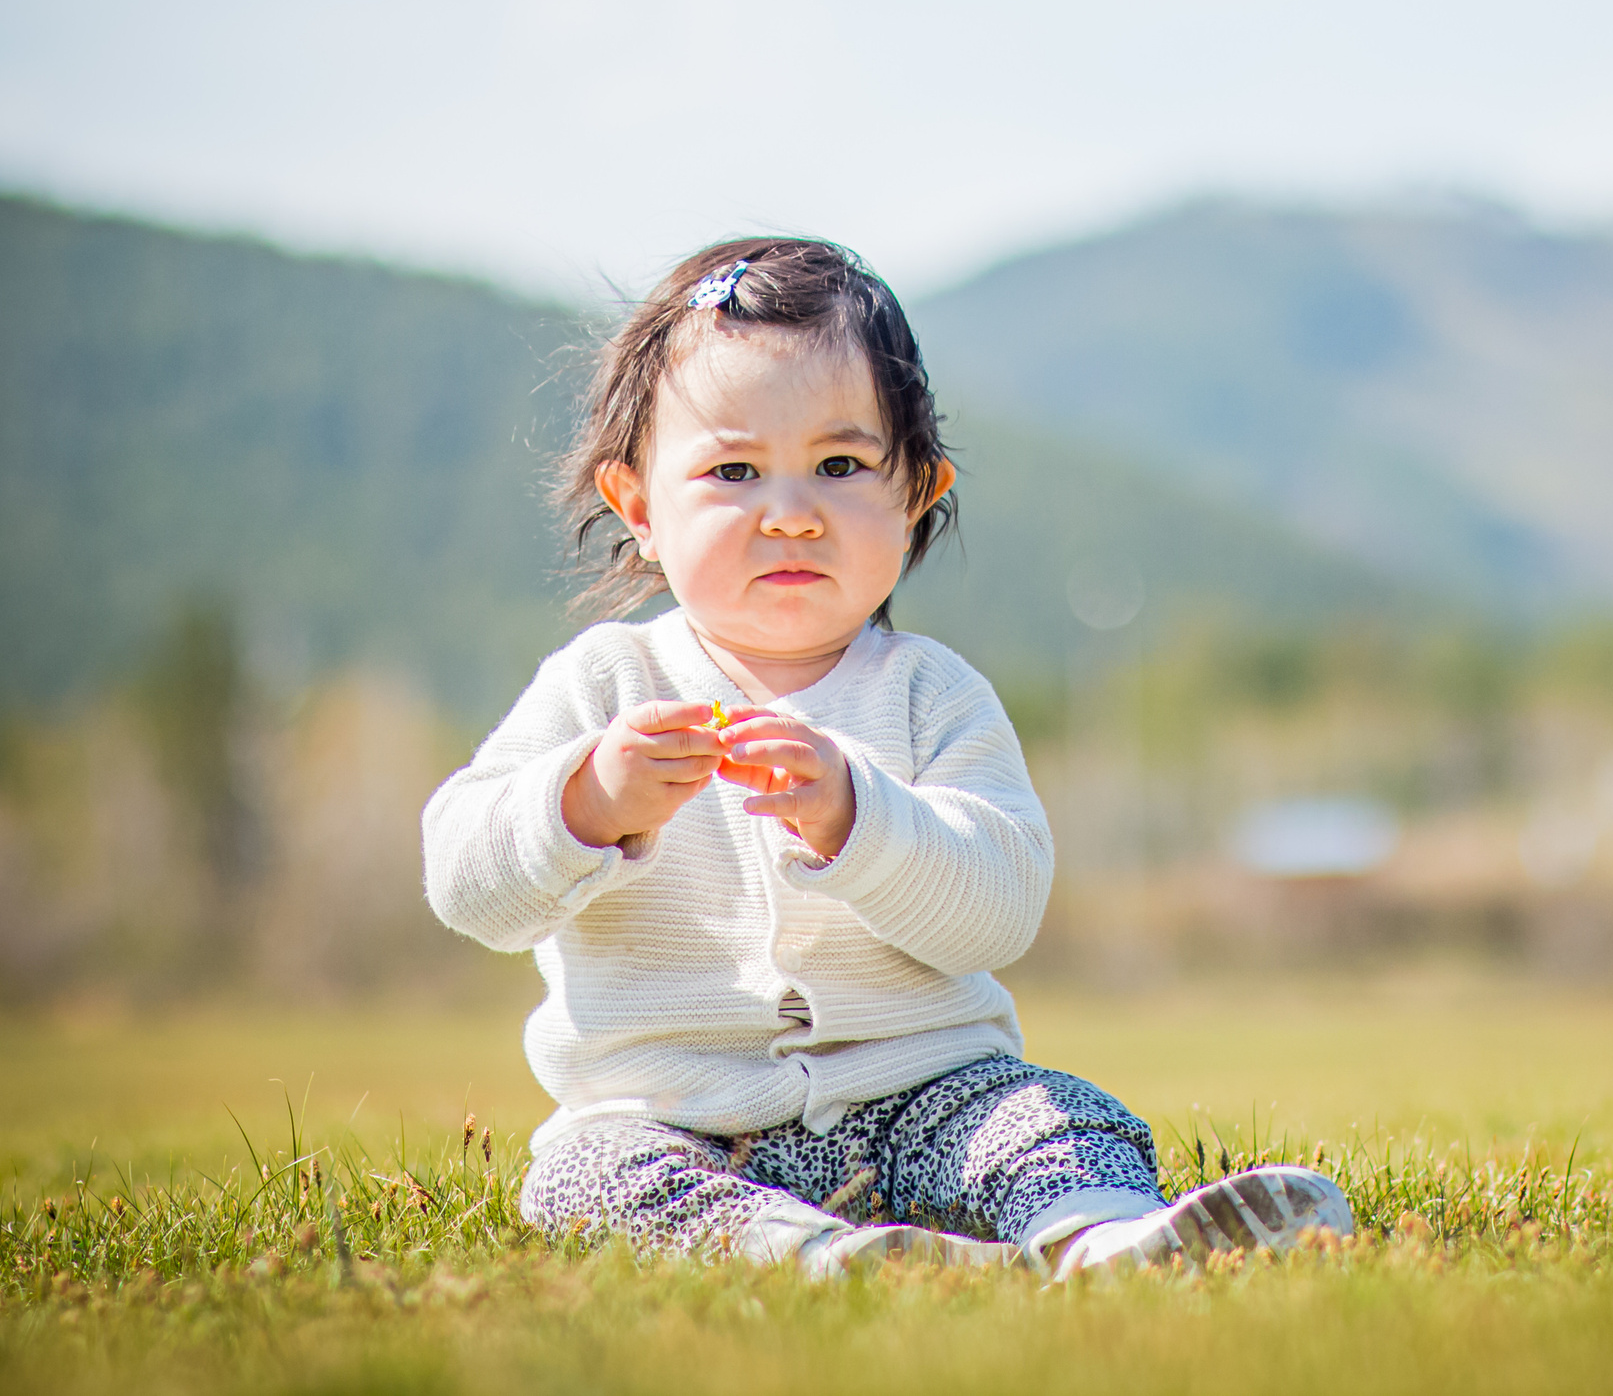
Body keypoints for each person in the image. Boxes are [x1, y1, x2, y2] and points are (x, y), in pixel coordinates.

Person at [421, 238, 1352, 1277]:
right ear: (639, 505)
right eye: (731, 471)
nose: (789, 509)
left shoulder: (929, 695)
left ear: (914, 493)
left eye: (840, 465)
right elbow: (467, 884)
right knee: (585, 1176)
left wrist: (858, 817)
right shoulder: (605, 686)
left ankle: (1102, 1235)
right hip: (675, 1115)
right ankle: (805, 1252)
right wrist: (585, 800)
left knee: (1046, 1117)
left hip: (925, 1094)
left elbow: (998, 906)